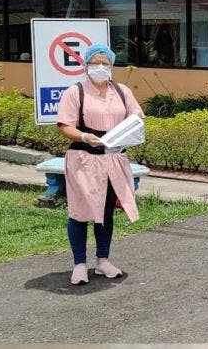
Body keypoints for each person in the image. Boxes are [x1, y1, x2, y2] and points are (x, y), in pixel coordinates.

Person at [55, 43, 144, 285]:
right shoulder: (76, 92)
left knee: (105, 212)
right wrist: (83, 136)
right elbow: (65, 125)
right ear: (86, 65)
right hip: (84, 159)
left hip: (113, 158)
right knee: (80, 211)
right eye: (96, 62)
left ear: (112, 65)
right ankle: (79, 264)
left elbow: (136, 115)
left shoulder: (122, 91)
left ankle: (103, 260)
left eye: (106, 63)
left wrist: (131, 130)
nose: (101, 67)